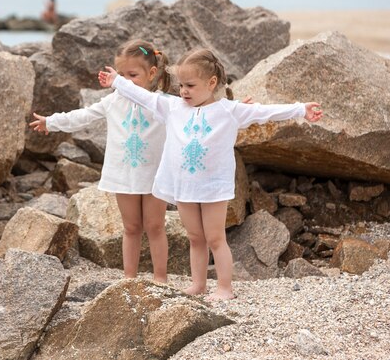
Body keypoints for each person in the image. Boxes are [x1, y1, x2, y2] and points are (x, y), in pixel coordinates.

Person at [98, 49, 323, 300]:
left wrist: (301, 109)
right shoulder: (172, 107)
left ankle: (225, 288)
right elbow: (141, 95)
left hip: (214, 187)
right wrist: (117, 81)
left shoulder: (229, 110)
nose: (184, 91)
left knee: (215, 238)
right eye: (181, 85)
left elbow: (265, 112)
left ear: (211, 83)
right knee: (195, 238)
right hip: (184, 187)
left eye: (191, 85)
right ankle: (198, 284)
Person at [30, 40, 171, 283]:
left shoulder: (161, 103)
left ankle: (161, 278)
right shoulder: (113, 101)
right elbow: (82, 116)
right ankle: (129, 278)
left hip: (155, 175)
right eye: (121, 75)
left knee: (155, 226)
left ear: (152, 73)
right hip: (123, 174)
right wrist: (50, 122)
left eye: (132, 75)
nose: (125, 81)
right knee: (131, 228)